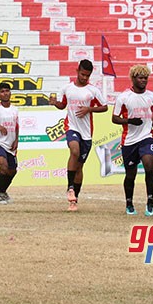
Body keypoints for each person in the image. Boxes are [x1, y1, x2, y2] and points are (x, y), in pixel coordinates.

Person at [48, 60, 107, 211]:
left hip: (86, 132)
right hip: (72, 127)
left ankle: (74, 200)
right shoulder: (67, 88)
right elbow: (62, 105)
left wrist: (89, 109)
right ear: (77, 71)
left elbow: (105, 107)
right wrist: (55, 103)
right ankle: (70, 188)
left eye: (87, 76)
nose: (84, 78)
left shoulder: (93, 91)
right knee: (74, 151)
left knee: (80, 167)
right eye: (82, 74)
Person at [112, 65, 153, 216]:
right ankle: (129, 203)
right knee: (130, 174)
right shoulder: (124, 97)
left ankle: (150, 201)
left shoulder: (152, 97)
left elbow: (152, 115)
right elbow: (114, 118)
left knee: (149, 166)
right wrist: (130, 121)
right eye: (140, 78)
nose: (143, 80)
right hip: (129, 140)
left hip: (146, 138)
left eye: (145, 78)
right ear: (133, 79)